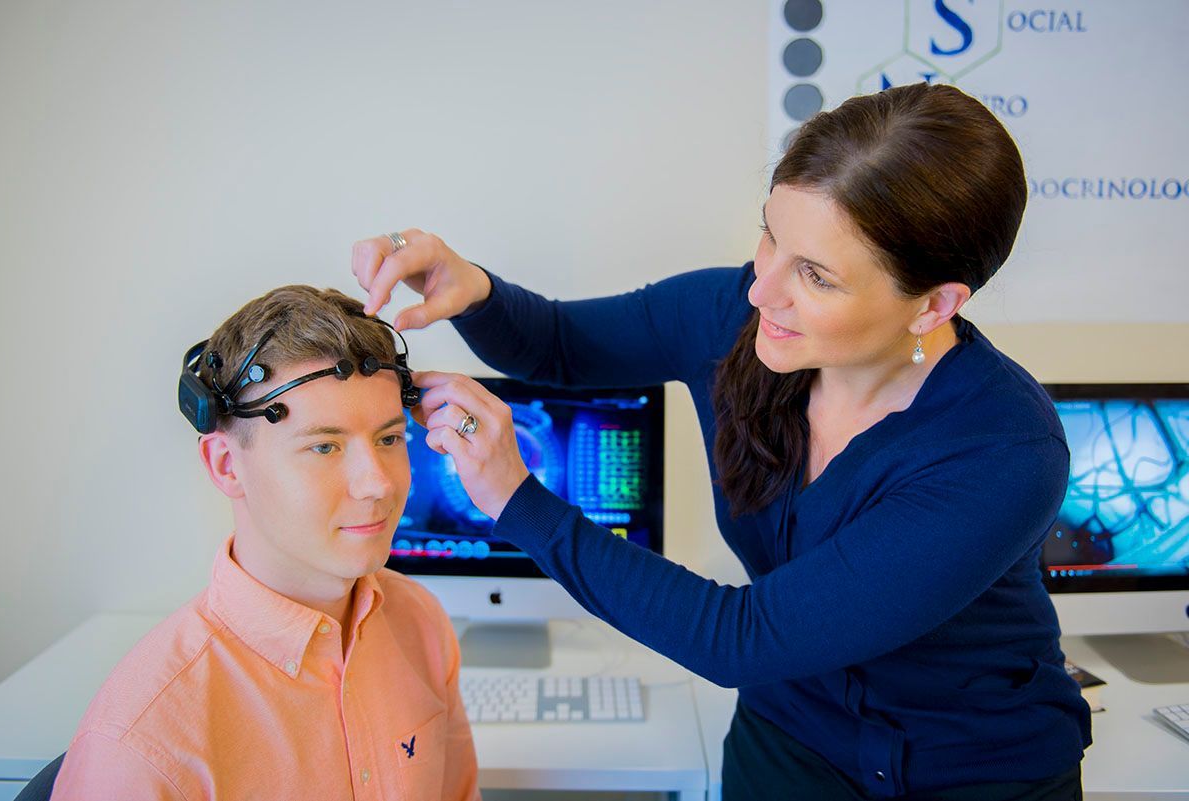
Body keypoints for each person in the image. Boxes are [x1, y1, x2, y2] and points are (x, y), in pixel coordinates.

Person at [352, 82, 1091, 800]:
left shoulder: (1004, 450)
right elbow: (558, 345)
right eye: (771, 233)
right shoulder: (735, 315)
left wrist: (516, 499)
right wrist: (469, 285)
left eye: (816, 276)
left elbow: (743, 638)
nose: (762, 289)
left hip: (973, 769)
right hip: (789, 748)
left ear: (934, 303)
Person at [52, 286, 480, 800]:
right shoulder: (141, 746)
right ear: (226, 465)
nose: (379, 484)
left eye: (389, 439)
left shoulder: (421, 624)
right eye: (324, 446)